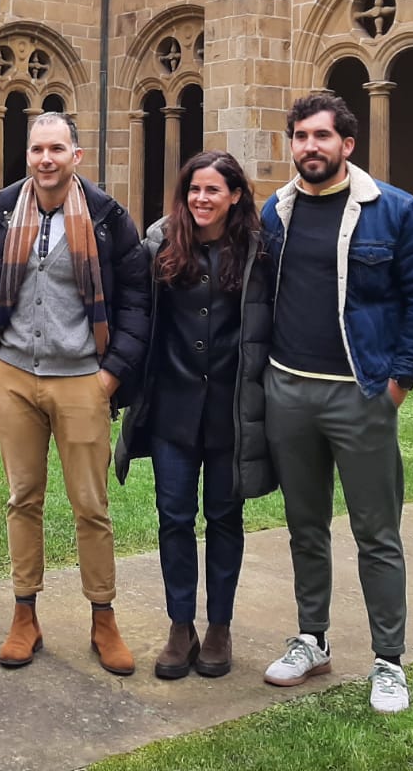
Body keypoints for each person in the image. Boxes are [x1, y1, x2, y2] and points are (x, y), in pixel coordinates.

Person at [259, 92, 413, 715]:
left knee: (376, 532)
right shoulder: (276, 213)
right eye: (300, 136)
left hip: (360, 393)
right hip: (288, 387)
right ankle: (312, 639)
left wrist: (399, 382)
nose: (309, 147)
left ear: (348, 144)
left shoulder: (391, 210)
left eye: (321, 136)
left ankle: (388, 660)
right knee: (304, 527)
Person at [0, 112, 151, 675]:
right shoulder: (1, 213)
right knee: (23, 498)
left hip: (81, 379)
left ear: (76, 155)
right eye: (37, 149)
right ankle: (25, 614)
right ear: (28, 156)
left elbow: (137, 299)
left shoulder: (107, 219)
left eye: (57, 149)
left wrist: (111, 373)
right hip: (14, 376)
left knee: (91, 506)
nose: (47, 159)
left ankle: (103, 617)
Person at [114, 150, 274, 680]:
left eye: (212, 190)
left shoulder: (257, 249)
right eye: (193, 190)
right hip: (172, 411)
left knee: (226, 519)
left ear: (234, 196)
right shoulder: (160, 244)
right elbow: (128, 307)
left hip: (231, 410)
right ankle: (180, 626)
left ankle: (220, 626)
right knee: (175, 519)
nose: (201, 199)